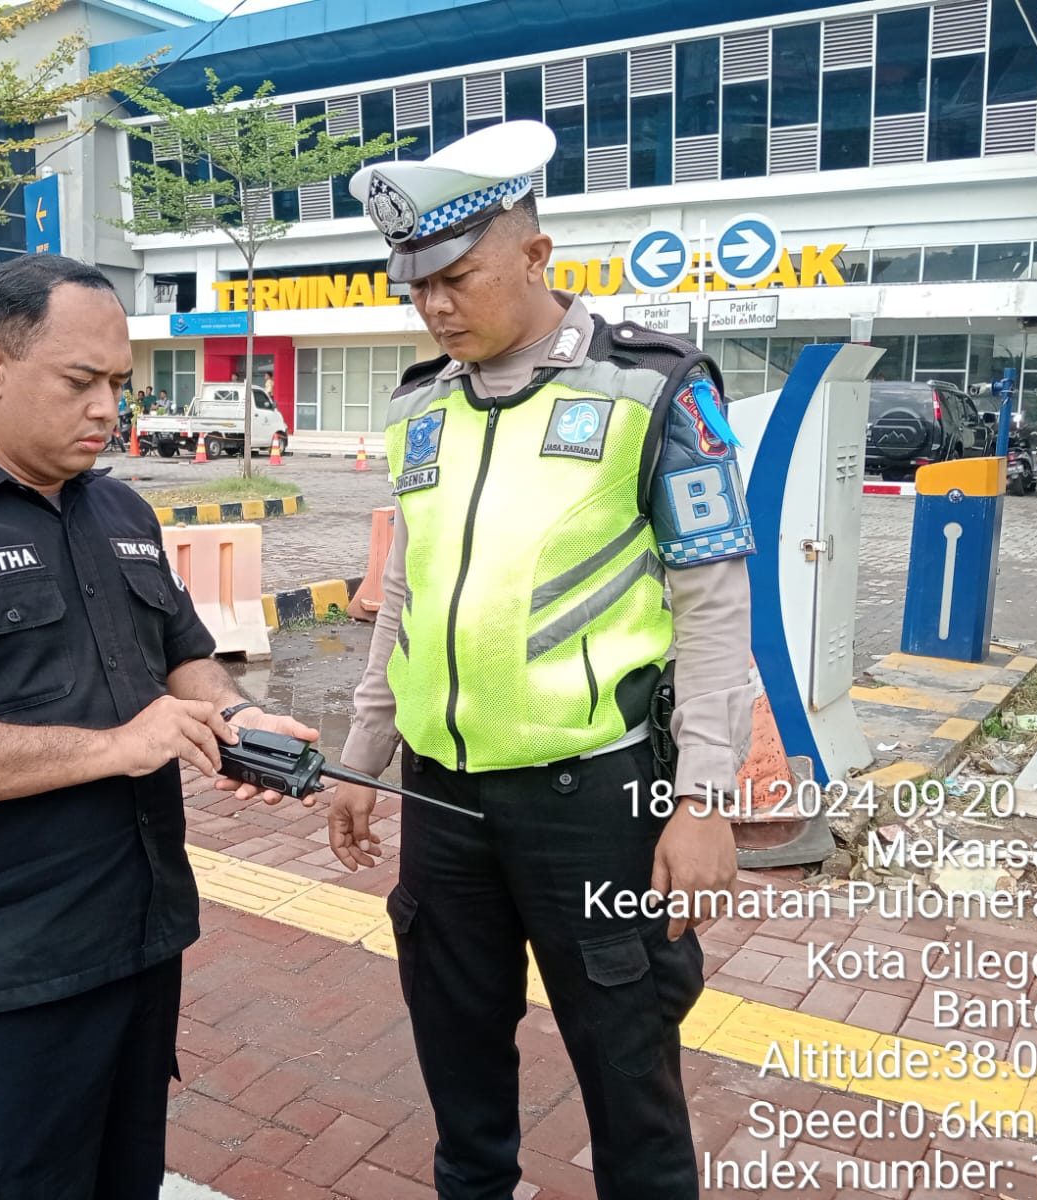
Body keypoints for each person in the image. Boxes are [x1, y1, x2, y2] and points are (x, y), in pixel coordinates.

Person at [0, 253, 316, 1199]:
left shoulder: (119, 508)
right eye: (80, 381)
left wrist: (239, 717)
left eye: (118, 383)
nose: (107, 409)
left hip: (141, 940)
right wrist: (119, 747)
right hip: (4, 972)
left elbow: (184, 654)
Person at [326, 121, 752, 1199]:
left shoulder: (654, 388)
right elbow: (407, 590)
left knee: (631, 1081)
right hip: (441, 801)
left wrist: (704, 800)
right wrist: (364, 751)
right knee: (460, 1082)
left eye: (455, 279)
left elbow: (712, 605)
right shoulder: (420, 405)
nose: (434, 307)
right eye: (415, 286)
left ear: (535, 254)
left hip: (594, 806)